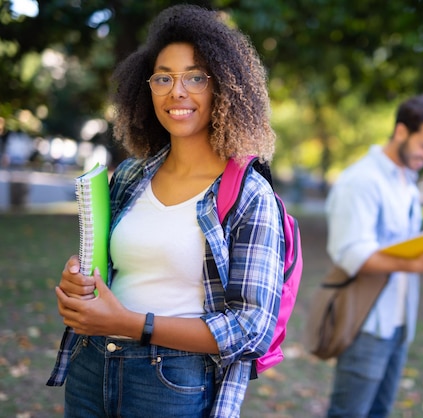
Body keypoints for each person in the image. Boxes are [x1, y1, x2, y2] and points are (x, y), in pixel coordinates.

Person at [46, 5, 284, 417]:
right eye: (163, 77)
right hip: (91, 365)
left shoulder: (249, 195)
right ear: (147, 88)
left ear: (224, 86)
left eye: (195, 76)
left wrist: (131, 323)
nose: (177, 91)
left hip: (170, 382)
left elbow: (251, 329)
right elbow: (113, 269)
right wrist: (79, 283)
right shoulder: (129, 177)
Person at [324, 94, 423, 417]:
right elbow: (351, 254)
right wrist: (415, 263)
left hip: (399, 322)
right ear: (401, 131)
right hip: (367, 322)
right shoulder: (361, 181)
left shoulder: (407, 181)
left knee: (380, 411)